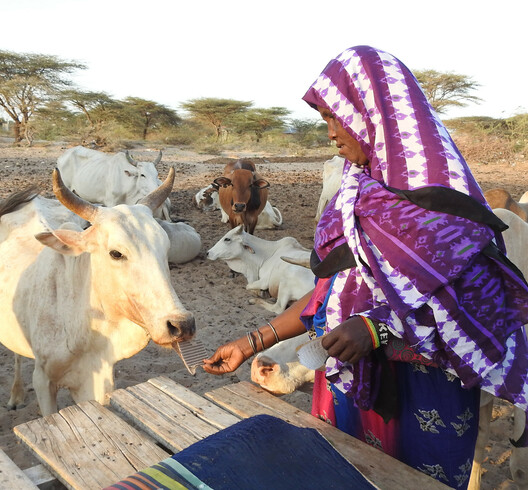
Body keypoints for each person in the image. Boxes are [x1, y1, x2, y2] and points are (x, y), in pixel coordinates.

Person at [203, 45, 528, 488]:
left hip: (424, 393)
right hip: (347, 383)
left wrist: (377, 327)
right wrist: (250, 341)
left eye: (338, 117)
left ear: (377, 114)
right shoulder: (351, 196)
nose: (333, 134)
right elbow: (329, 294)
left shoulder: (443, 200)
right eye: (326, 122)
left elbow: (477, 302)